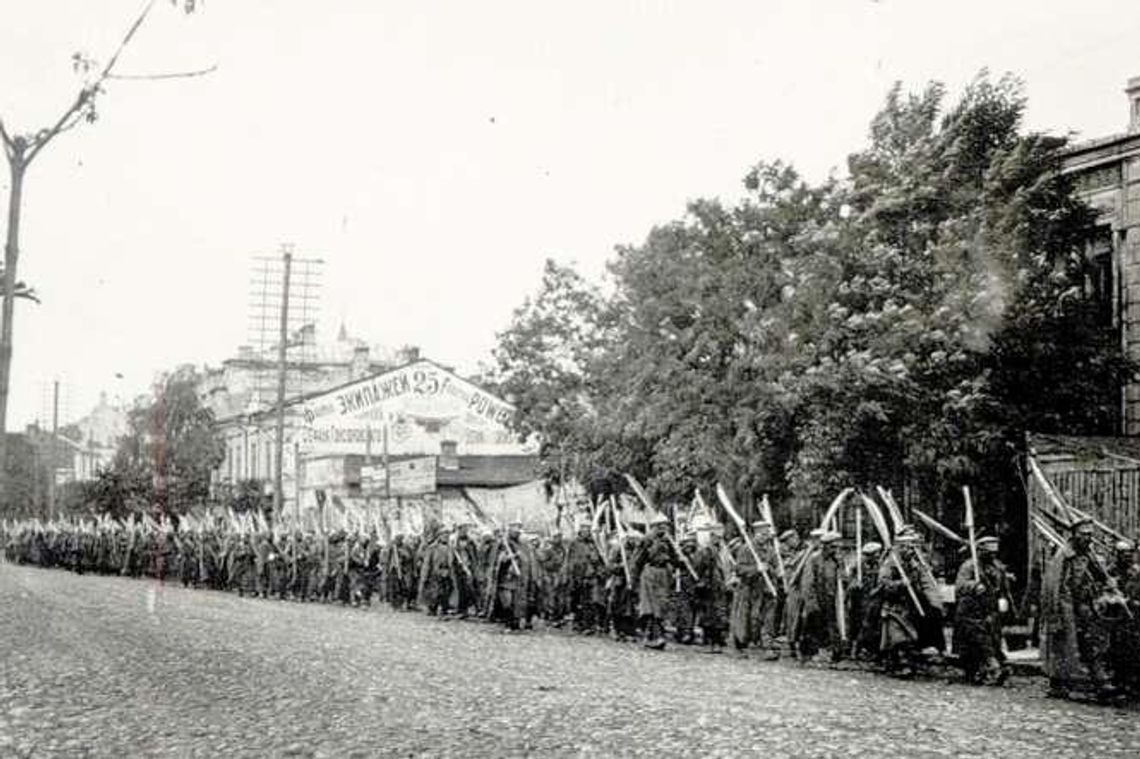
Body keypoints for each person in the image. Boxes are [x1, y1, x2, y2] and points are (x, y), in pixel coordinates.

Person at [1042, 517, 1118, 700]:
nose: (1088, 538)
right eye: (1083, 534)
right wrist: (1055, 615)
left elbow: (1100, 574)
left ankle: (1100, 681)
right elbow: (1053, 586)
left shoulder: (1088, 555)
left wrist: (1108, 582)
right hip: (1065, 606)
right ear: (1074, 534)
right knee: (1063, 645)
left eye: (1090, 534)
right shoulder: (1063, 556)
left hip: (1084, 605)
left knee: (1091, 641)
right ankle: (1057, 683)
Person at [877, 526, 942, 676]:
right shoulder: (890, 563)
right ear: (901, 547)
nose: (911, 551)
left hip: (910, 605)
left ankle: (906, 663)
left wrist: (934, 600)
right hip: (894, 606)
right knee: (898, 637)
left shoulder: (913, 563)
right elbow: (882, 584)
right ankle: (900, 664)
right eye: (908, 547)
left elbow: (923, 580)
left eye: (912, 548)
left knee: (911, 635)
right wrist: (900, 584)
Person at [953, 535, 1012, 685]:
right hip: (971, 610)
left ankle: (992, 667)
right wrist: (974, 586)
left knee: (993, 638)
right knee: (978, 640)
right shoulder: (969, 566)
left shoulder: (997, 566)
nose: (992, 556)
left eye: (994, 553)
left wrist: (1004, 597)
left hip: (990, 608)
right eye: (989, 552)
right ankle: (990, 668)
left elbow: (1002, 586)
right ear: (980, 551)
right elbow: (960, 586)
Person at [730, 521, 780, 659]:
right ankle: (740, 647)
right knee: (745, 619)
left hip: (766, 589)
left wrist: (772, 570)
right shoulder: (746, 549)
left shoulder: (771, 550)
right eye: (762, 534)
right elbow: (739, 569)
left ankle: (767, 647)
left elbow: (775, 567)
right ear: (755, 534)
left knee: (767, 619)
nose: (765, 537)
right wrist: (756, 569)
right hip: (748, 590)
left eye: (766, 534)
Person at [800, 531, 845, 663]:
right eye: (833, 547)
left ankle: (833, 653)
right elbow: (808, 582)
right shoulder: (814, 559)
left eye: (837, 547)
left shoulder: (836, 561)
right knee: (813, 626)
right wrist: (811, 602)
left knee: (831, 626)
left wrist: (841, 568)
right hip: (817, 598)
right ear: (825, 546)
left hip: (831, 600)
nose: (835, 550)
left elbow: (842, 580)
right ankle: (808, 654)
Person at [633, 516, 675, 650]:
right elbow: (638, 560)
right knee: (651, 606)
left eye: (666, 525)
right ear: (655, 526)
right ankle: (655, 636)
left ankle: (653, 636)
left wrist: (679, 561)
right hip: (650, 573)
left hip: (663, 574)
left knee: (662, 605)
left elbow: (674, 558)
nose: (664, 528)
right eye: (661, 525)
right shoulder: (647, 540)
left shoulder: (668, 541)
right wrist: (634, 579)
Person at [693, 523, 731, 653]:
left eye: (720, 537)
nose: (718, 539)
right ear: (711, 536)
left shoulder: (724, 551)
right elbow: (698, 568)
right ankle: (711, 642)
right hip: (709, 587)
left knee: (719, 614)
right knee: (710, 615)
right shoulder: (705, 551)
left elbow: (727, 567)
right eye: (716, 536)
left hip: (720, 586)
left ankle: (717, 641)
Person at [564, 522, 606, 634]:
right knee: (578, 600)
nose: (586, 532)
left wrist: (599, 571)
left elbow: (599, 560)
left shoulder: (594, 543)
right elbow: (571, 560)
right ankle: (578, 623)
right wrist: (572, 575)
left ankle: (588, 625)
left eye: (588, 530)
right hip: (578, 576)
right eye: (584, 530)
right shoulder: (575, 543)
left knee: (590, 601)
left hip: (591, 576)